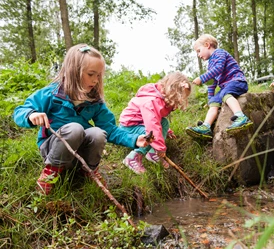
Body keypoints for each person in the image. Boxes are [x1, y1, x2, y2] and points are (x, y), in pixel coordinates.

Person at [13, 44, 150, 195]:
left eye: (98, 75)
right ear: (73, 72)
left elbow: (109, 129)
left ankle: (88, 171)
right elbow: (20, 111)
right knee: (75, 128)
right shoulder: (52, 94)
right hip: (53, 149)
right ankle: (51, 173)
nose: (95, 80)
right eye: (91, 74)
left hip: (79, 154)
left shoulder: (94, 101)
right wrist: (31, 115)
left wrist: (134, 139)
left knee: (98, 133)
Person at [119, 71, 191, 174]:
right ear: (173, 92)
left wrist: (166, 131)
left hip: (139, 124)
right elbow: (152, 126)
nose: (180, 101)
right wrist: (160, 148)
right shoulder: (152, 101)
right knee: (152, 134)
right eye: (179, 98)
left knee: (164, 123)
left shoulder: (160, 97)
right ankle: (134, 157)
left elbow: (156, 119)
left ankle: (153, 154)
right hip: (128, 129)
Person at [185, 34, 252, 141]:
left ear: (207, 45)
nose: (198, 55)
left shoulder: (219, 53)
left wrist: (202, 78)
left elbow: (219, 69)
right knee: (214, 102)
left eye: (198, 51)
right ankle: (206, 127)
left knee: (225, 93)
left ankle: (241, 117)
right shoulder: (210, 64)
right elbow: (212, 83)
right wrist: (210, 99)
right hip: (226, 86)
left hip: (237, 81)